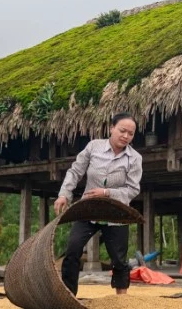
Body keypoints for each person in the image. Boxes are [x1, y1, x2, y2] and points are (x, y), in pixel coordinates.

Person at [54, 112, 143, 297]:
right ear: (111, 128)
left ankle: (122, 300)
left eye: (131, 133)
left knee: (119, 260)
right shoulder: (94, 147)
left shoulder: (134, 158)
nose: (126, 136)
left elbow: (133, 189)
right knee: (72, 250)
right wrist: (64, 194)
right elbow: (75, 171)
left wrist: (107, 192)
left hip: (116, 213)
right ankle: (68, 296)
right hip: (88, 209)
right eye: (122, 130)